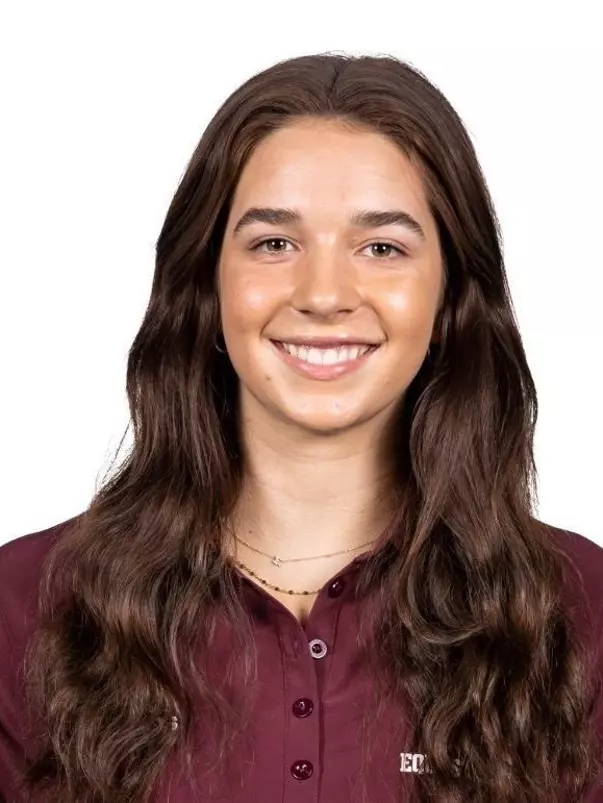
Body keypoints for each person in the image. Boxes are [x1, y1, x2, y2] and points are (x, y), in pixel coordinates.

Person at [0, 52, 602, 803]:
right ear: (204, 285)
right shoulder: (22, 604)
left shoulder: (580, 610)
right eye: (273, 243)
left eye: (381, 247)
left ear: (449, 297)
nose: (323, 294)